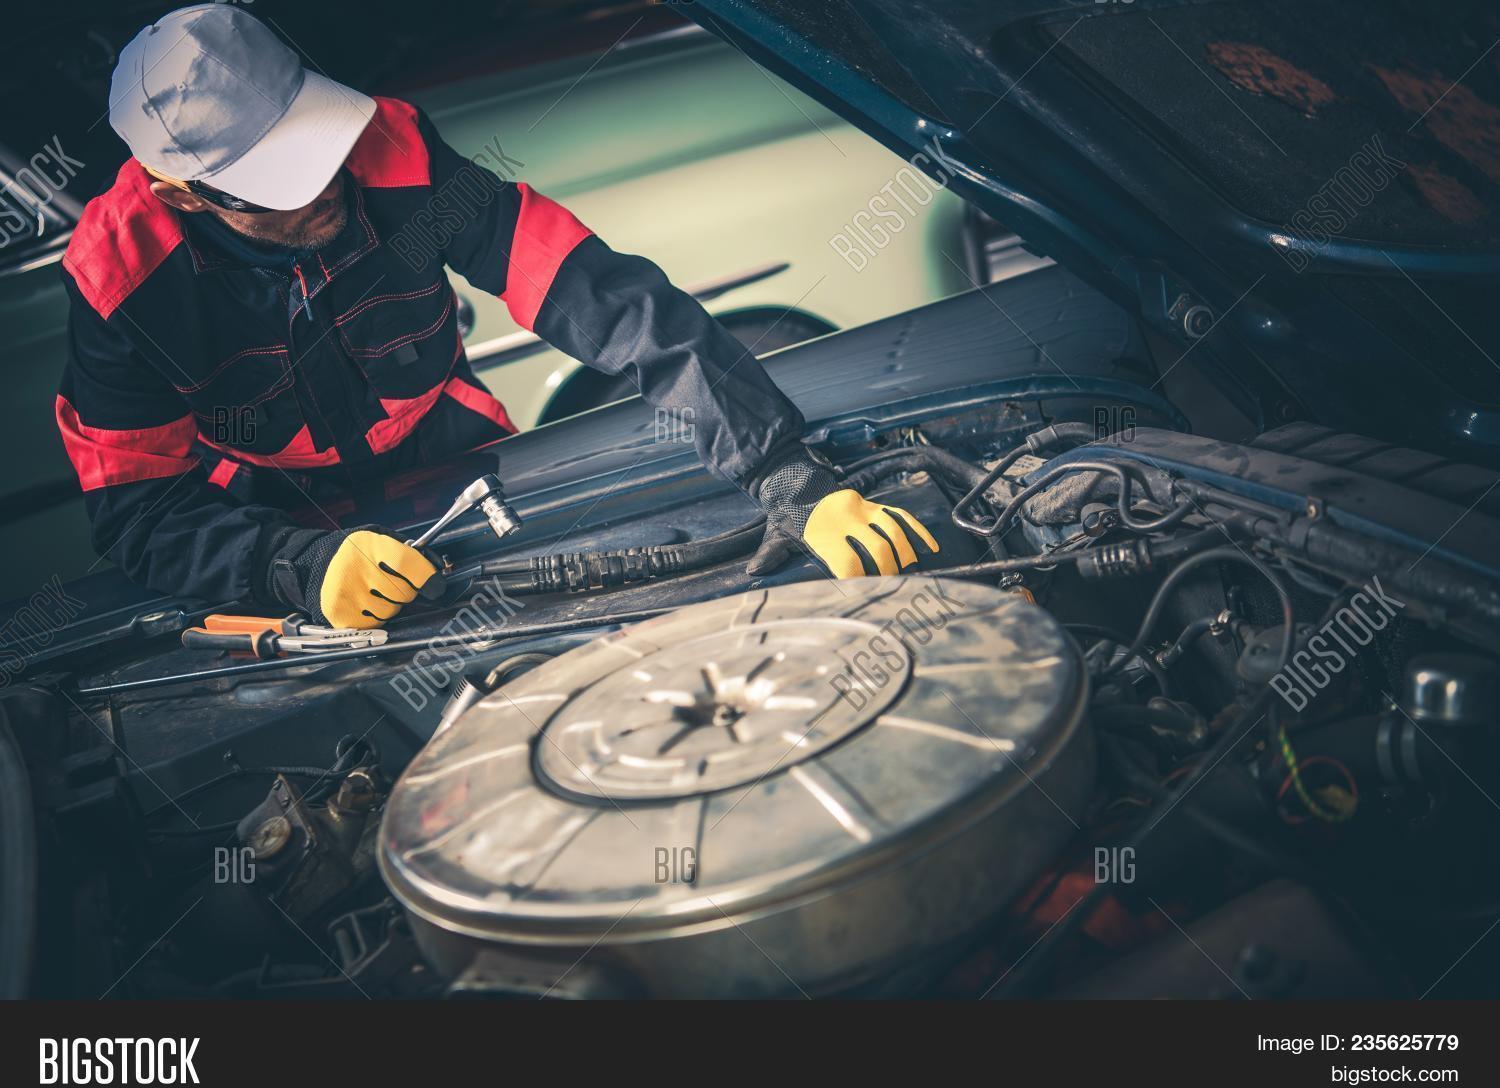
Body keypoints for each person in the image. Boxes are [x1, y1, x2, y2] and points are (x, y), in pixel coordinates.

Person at [57, 4, 937, 628]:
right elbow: (140, 513)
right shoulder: (122, 284)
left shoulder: (392, 157)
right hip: (270, 514)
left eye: (311, 143)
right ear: (183, 193)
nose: (325, 184)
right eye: (281, 182)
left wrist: (783, 472)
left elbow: (607, 300)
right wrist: (293, 567)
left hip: (456, 462)